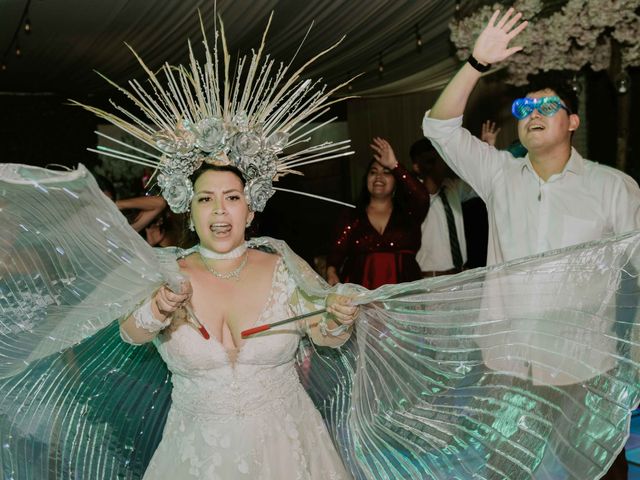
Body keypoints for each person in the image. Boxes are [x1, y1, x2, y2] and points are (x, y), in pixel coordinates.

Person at [423, 8, 640, 478]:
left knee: (604, 470)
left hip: (585, 365)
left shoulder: (613, 187)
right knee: (505, 469)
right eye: (524, 108)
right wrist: (476, 64)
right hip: (507, 364)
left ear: (574, 122)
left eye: (547, 107)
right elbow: (438, 128)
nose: (532, 114)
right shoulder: (499, 175)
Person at [119, 163, 357, 478]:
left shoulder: (283, 268)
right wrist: (157, 308)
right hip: (195, 456)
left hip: (287, 451)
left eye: (231, 198)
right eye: (205, 199)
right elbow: (130, 332)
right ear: (189, 211)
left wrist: (338, 317)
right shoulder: (165, 273)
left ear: (249, 212)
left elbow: (326, 333)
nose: (219, 210)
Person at [326, 137, 429, 289]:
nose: (379, 177)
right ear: (366, 179)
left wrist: (395, 166)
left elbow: (422, 197)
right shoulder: (351, 214)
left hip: (404, 297)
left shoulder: (409, 214)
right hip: (361, 296)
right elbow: (337, 251)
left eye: (386, 172)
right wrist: (331, 270)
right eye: (373, 172)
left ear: (396, 182)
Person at [410, 138, 480, 275]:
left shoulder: (451, 186)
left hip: (460, 273)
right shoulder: (414, 193)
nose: (438, 163)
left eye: (439, 157)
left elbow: (480, 183)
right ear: (417, 167)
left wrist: (480, 154)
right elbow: (430, 189)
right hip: (431, 278)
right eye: (430, 161)